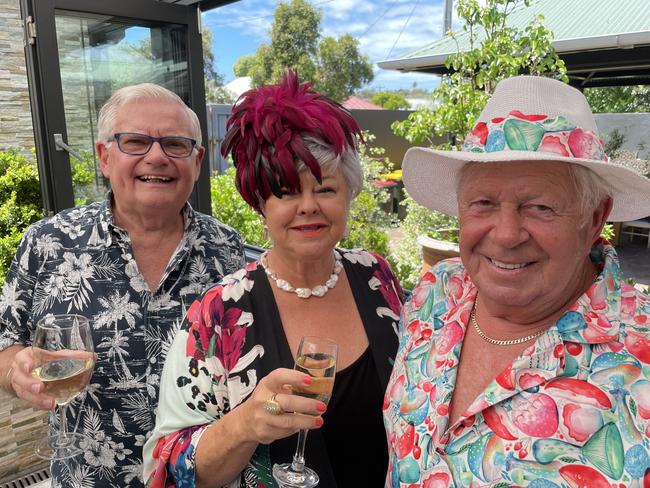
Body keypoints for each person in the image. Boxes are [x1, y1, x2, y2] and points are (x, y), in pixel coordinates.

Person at [384, 75, 650, 487]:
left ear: (595, 217)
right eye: (484, 203)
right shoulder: (436, 292)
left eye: (540, 207)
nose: (506, 235)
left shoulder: (640, 353)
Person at [143, 71, 404, 488]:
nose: (308, 207)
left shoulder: (376, 276)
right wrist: (244, 424)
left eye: (325, 188)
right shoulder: (218, 313)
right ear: (260, 203)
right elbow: (171, 463)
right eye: (285, 191)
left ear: (348, 194)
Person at [0, 83, 245, 487]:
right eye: (135, 141)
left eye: (175, 144)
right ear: (104, 156)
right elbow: (4, 344)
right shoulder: (48, 242)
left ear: (197, 160)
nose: (156, 156)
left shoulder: (228, 249)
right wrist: (16, 372)